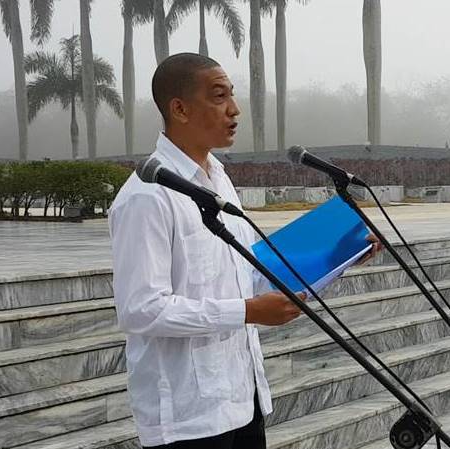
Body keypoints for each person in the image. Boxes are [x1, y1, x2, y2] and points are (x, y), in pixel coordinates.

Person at [109, 53, 381, 449]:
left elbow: (246, 273)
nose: (234, 110)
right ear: (180, 109)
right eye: (219, 97)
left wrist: (341, 254)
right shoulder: (147, 197)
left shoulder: (217, 179)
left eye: (231, 96)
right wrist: (247, 311)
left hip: (241, 396)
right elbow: (140, 308)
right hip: (189, 415)